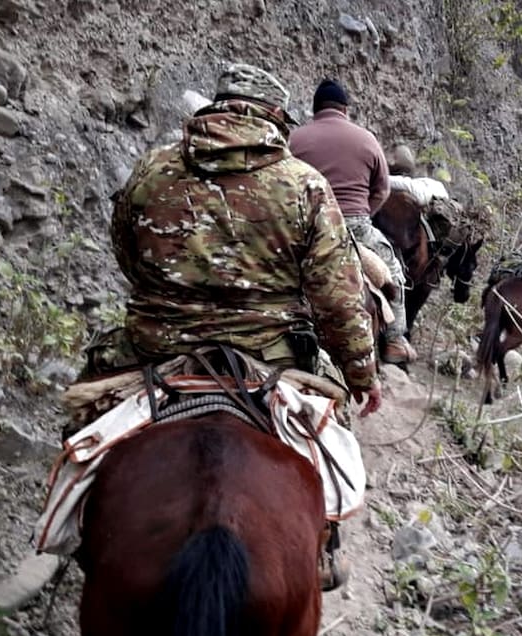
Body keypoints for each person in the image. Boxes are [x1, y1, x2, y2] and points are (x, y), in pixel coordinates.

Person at [109, 63, 383, 589]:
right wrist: (362, 374)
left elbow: (127, 253)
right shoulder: (304, 185)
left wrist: (172, 301)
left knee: (88, 410)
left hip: (156, 343)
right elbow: (338, 299)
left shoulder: (152, 169)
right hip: (271, 353)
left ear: (216, 105)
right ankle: (327, 544)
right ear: (278, 117)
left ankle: (74, 522)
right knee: (330, 426)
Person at [290, 78, 417, 366]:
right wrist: (363, 214)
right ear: (345, 109)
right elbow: (382, 190)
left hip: (305, 226)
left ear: (315, 109)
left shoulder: (295, 138)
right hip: (355, 226)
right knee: (393, 270)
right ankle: (396, 340)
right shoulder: (367, 139)